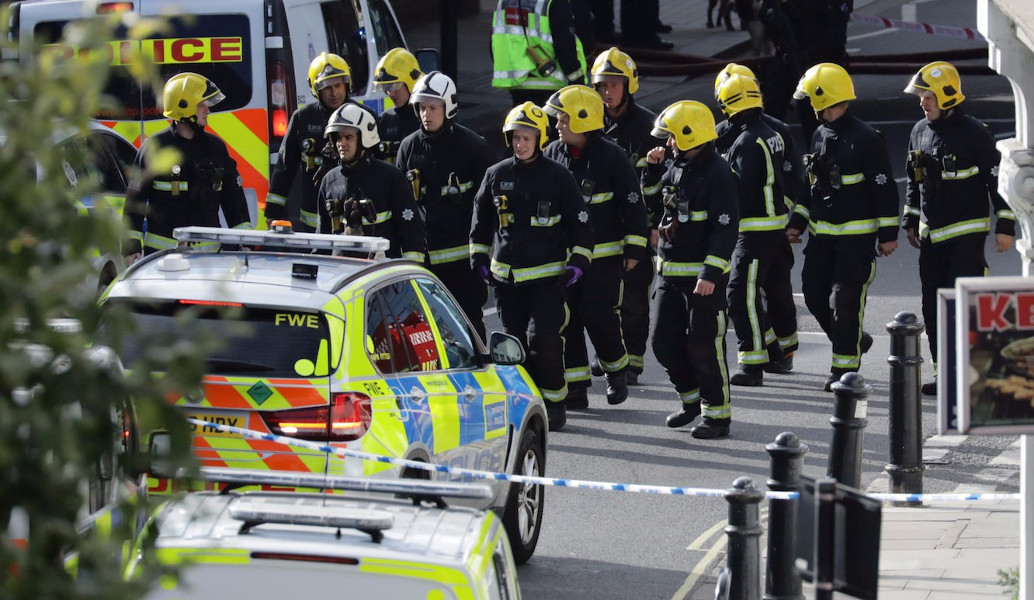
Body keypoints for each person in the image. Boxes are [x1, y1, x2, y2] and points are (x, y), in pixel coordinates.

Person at [470, 102, 594, 431]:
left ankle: (555, 404)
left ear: (538, 139)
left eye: (527, 138)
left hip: (547, 279)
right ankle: (520, 404)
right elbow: (481, 221)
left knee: (546, 341)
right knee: (511, 346)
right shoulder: (496, 175)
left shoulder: (558, 177)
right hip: (506, 281)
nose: (521, 144)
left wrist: (579, 260)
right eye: (515, 138)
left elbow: (580, 222)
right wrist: (479, 258)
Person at [901, 61, 1015, 395]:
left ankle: (976, 374)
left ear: (947, 96)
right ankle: (946, 375)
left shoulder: (976, 133)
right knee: (934, 307)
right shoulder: (918, 131)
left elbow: (999, 182)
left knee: (964, 303)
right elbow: (914, 180)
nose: (923, 103)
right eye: (921, 96)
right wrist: (910, 220)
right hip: (931, 237)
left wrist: (1004, 225)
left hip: (966, 234)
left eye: (928, 96)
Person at [787, 63, 899, 391]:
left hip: (856, 241)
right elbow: (812, 187)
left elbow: (883, 186)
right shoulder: (820, 134)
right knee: (813, 293)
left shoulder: (866, 138)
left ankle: (843, 371)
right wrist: (797, 223)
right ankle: (851, 340)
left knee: (846, 302)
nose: (809, 104)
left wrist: (888, 234)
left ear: (826, 98)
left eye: (812, 99)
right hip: (823, 238)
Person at [543, 84, 648, 408]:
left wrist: (633, 250)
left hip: (603, 258)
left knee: (598, 315)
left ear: (582, 120)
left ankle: (616, 371)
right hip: (566, 258)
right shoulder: (552, 154)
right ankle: (576, 388)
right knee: (568, 320)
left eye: (563, 119)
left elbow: (633, 205)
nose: (557, 125)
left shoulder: (612, 158)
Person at [642, 100, 738, 439]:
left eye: (672, 138)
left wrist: (710, 274)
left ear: (691, 135)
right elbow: (653, 203)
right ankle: (690, 400)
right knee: (663, 341)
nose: (668, 144)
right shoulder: (676, 166)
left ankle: (717, 414)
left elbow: (725, 229)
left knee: (704, 344)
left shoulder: (718, 174)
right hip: (669, 273)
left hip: (701, 279)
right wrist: (652, 172)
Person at [714, 63, 801, 374]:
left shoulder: (747, 141)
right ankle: (777, 350)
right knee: (764, 290)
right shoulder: (766, 132)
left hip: (753, 230)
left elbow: (741, 189)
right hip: (769, 226)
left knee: (740, 293)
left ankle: (754, 361)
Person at [395, 71, 495, 342]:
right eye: (422, 107)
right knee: (423, 332)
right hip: (424, 263)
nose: (426, 114)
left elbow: (488, 208)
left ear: (448, 106)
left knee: (469, 329)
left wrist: (483, 254)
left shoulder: (474, 148)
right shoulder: (408, 148)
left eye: (433, 107)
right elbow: (401, 205)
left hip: (462, 264)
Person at [124, 73, 251, 261]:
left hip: (210, 258)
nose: (207, 111)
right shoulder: (154, 148)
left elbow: (234, 198)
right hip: (163, 259)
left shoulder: (215, 148)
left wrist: (244, 241)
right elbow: (135, 203)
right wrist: (130, 249)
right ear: (184, 107)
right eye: (202, 105)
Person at [592, 47, 658, 385]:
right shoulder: (588, 122)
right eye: (601, 86)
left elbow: (667, 181)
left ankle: (632, 361)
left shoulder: (649, 127)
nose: (607, 92)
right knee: (604, 298)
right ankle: (610, 356)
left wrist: (657, 224)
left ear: (628, 85)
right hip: (601, 230)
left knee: (633, 298)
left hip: (637, 227)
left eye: (613, 85)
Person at [315, 103, 425, 262]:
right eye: (338, 137)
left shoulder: (389, 176)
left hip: (384, 272)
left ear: (364, 138)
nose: (341, 143)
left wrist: (409, 271)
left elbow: (412, 233)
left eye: (348, 137)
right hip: (343, 273)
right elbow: (322, 239)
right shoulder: (329, 181)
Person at [265, 52, 352, 231]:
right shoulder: (303, 118)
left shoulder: (362, 116)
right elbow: (284, 166)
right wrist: (273, 211)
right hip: (313, 219)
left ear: (347, 84)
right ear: (315, 89)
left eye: (338, 85)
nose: (334, 93)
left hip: (352, 217)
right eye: (327, 88)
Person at [490, 0, 588, 107]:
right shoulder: (554, 2)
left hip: (518, 85)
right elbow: (564, 45)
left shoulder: (504, 2)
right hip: (552, 84)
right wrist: (577, 80)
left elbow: (496, 41)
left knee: (525, 123)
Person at [372, 48, 423, 165]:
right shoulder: (384, 120)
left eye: (394, 86)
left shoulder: (428, 117)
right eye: (385, 87)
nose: (390, 93)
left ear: (411, 82)